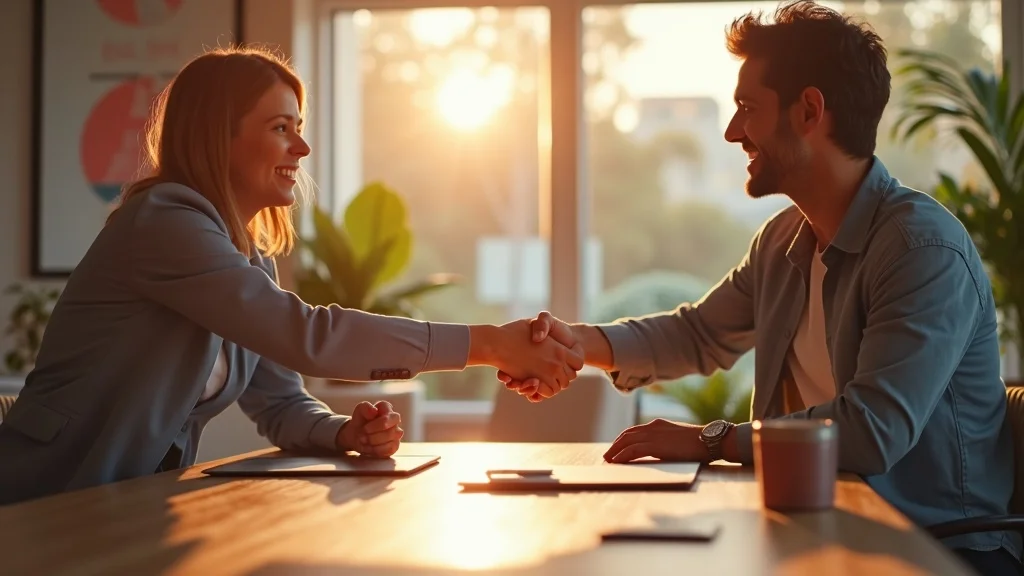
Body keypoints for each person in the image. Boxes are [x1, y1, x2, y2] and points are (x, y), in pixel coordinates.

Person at [500, 1, 1022, 573]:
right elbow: (698, 333)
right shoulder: (782, 241)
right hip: (821, 525)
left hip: (938, 549)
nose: (731, 132)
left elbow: (871, 433)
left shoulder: (922, 251)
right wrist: (580, 341)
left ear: (809, 111)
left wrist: (707, 439)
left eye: (747, 108)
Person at [0, 46, 583, 506]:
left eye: (298, 126)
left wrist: (342, 434)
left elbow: (279, 401)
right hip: (43, 499)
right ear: (217, 135)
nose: (301, 147)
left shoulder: (247, 256)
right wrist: (487, 344)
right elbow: (309, 336)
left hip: (125, 508)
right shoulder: (164, 223)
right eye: (281, 127)